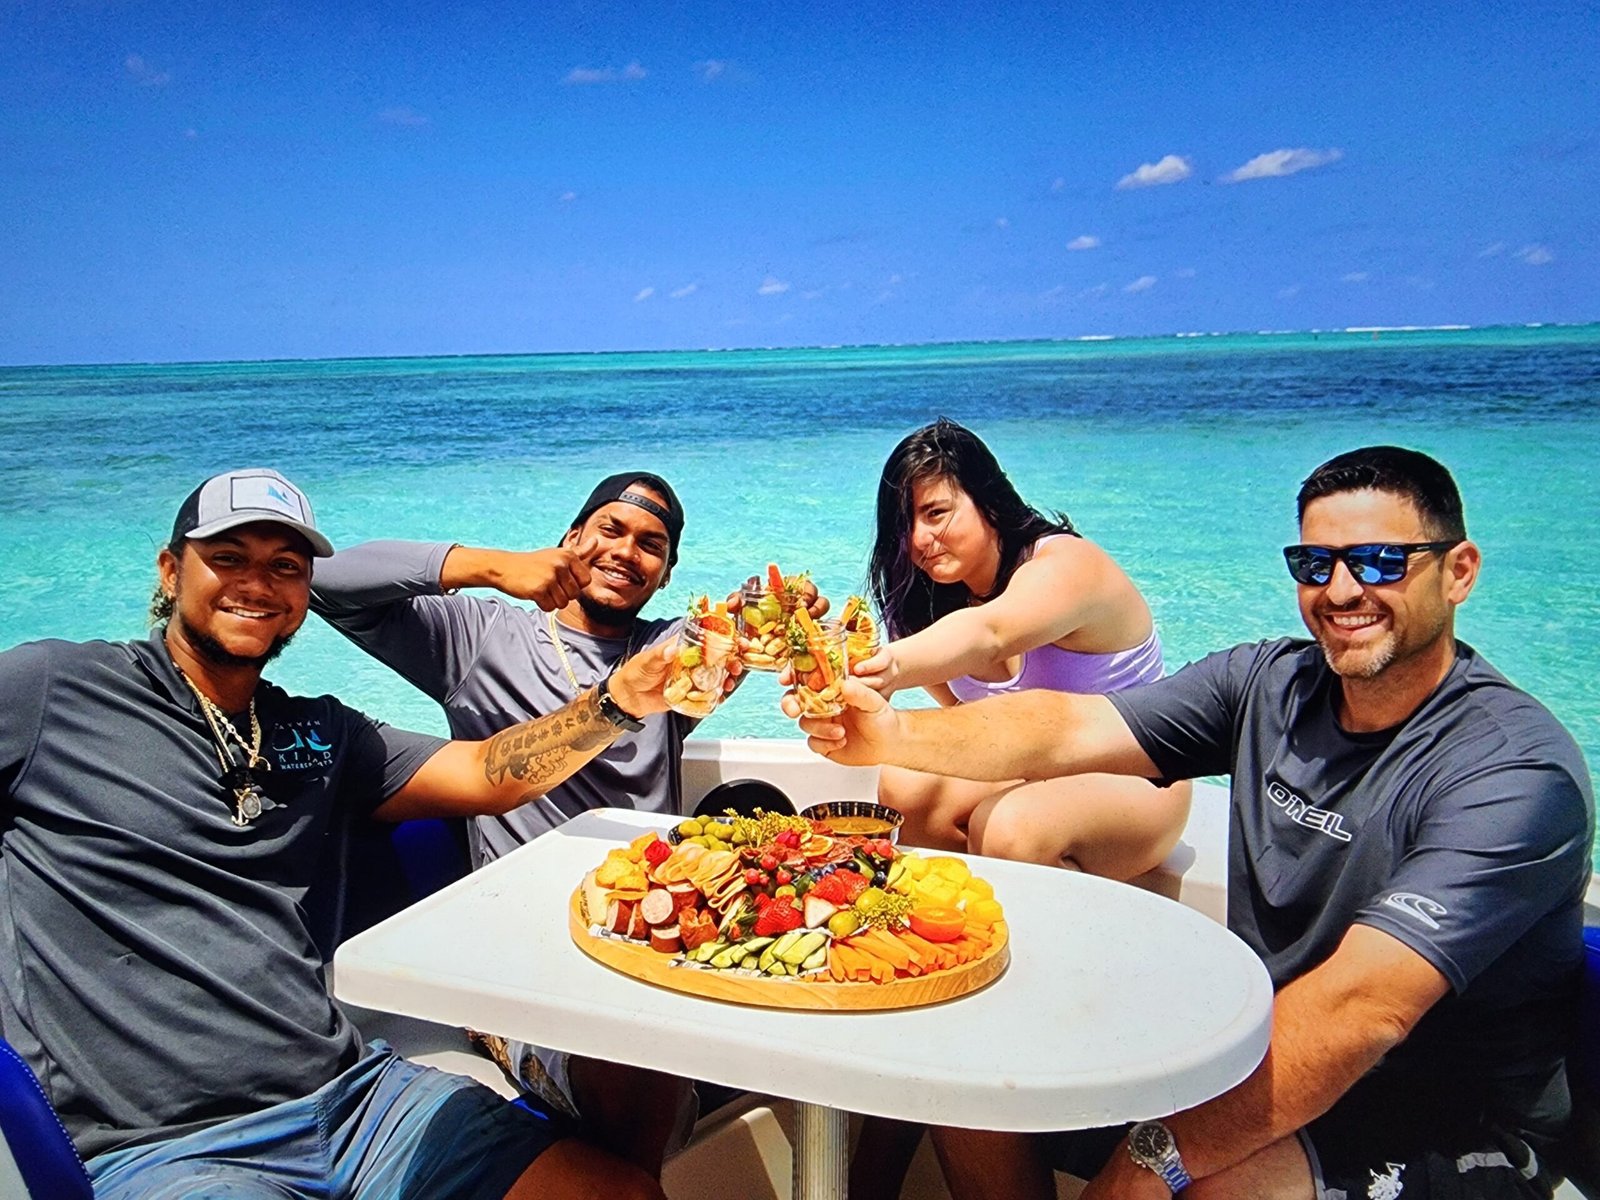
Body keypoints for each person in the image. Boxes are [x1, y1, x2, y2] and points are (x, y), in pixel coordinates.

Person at [792, 446, 1594, 1200]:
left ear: (1459, 572)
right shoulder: (1269, 684)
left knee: (1199, 1186)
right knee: (967, 1077)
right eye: (1315, 565)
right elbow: (1067, 728)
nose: (1343, 590)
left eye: (1381, 561)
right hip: (1258, 1052)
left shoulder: (1513, 773)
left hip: (1441, 1121)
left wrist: (1155, 1156)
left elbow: (1361, 1012)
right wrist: (891, 734)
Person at [0, 468, 665, 1200]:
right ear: (170, 569)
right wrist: (490, 566)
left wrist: (619, 700)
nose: (257, 584)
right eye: (228, 557)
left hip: (354, 1101)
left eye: (285, 567)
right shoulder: (53, 690)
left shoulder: (317, 733)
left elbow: (487, 773)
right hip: (165, 1147)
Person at [308, 471, 822, 1176]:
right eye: (610, 529)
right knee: (635, 1054)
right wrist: (494, 567)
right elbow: (324, 582)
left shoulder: (672, 657)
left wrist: (790, 611)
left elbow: (756, 621)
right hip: (528, 955)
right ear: (571, 538)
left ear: (666, 573)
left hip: (655, 934)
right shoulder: (483, 638)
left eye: (651, 545)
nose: (627, 552)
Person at [858, 418, 1190, 882]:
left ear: (988, 500)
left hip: (1138, 772)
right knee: (905, 786)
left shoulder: (1066, 566)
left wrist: (887, 667)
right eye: (905, 523)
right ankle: (961, 918)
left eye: (936, 513)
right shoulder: (927, 600)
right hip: (1036, 765)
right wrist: (815, 650)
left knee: (1012, 827)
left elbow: (991, 632)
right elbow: (964, 716)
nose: (917, 540)